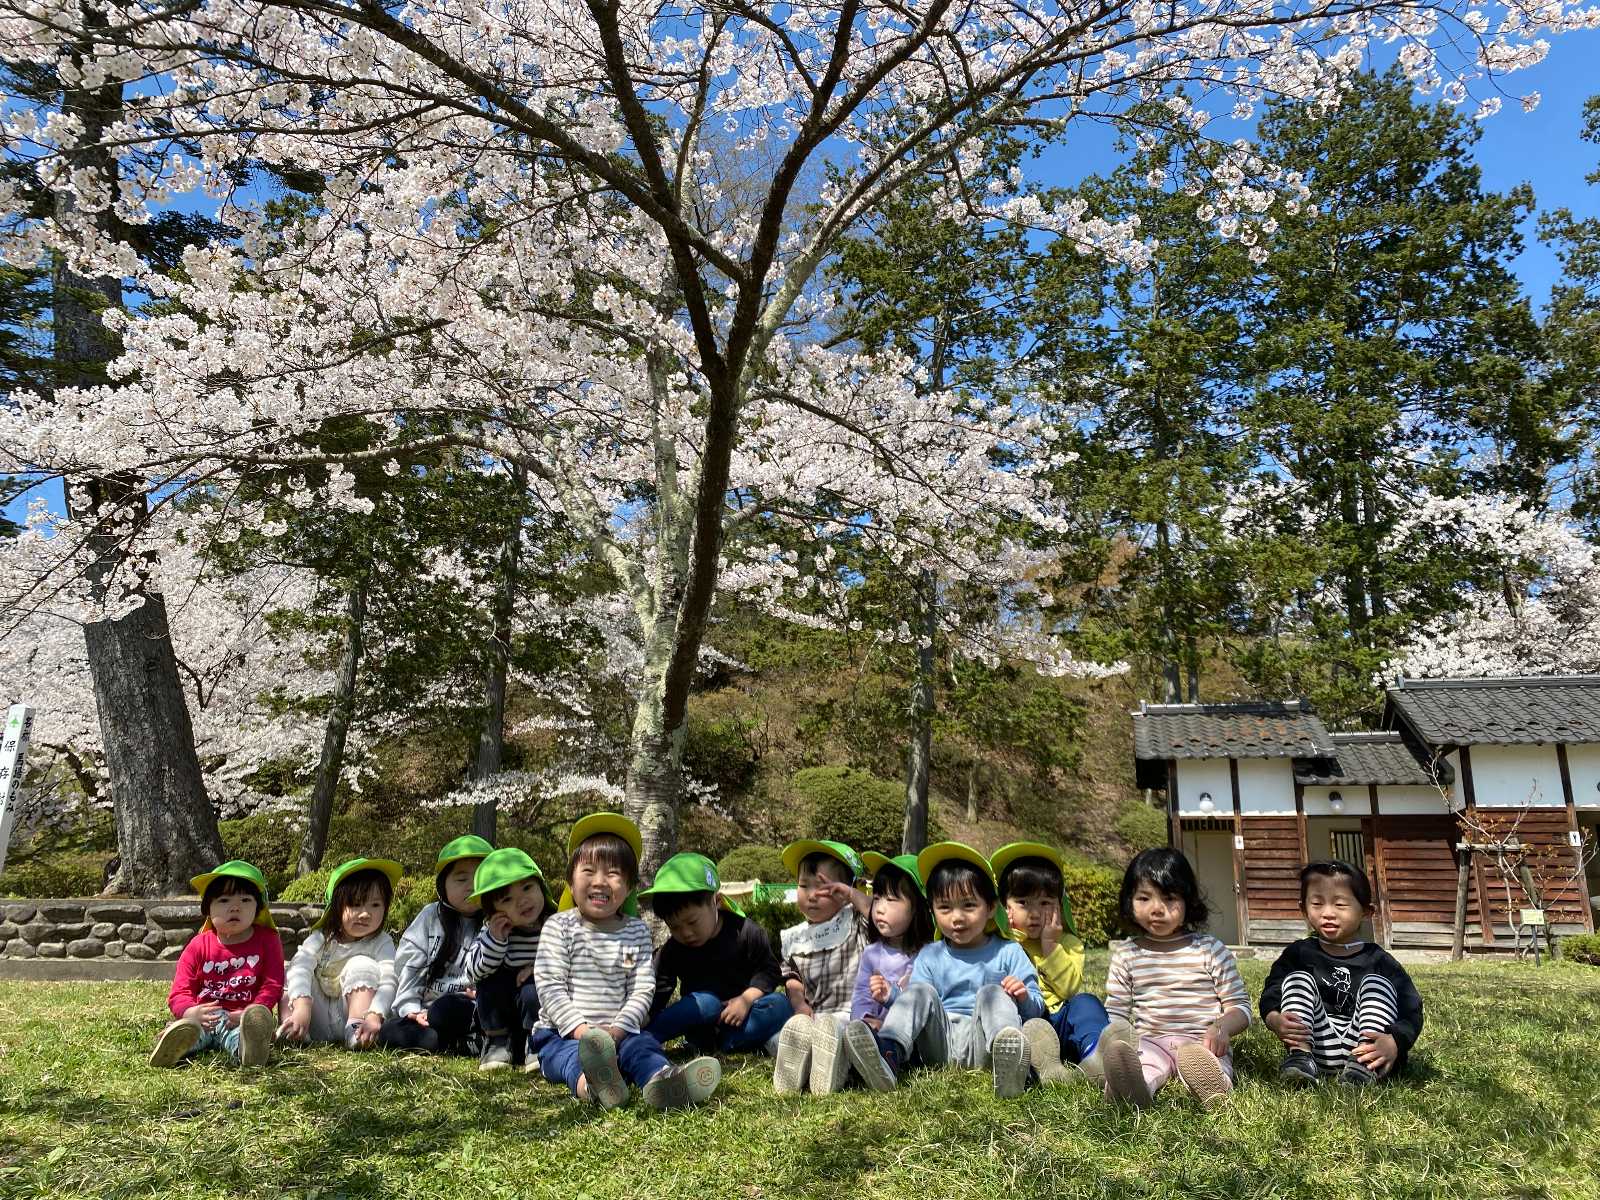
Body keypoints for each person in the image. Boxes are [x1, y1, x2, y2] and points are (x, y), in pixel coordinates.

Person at [530, 813, 721, 1109]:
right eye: (589, 871)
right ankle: (593, 1086)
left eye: (614, 874)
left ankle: (663, 1081)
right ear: (570, 881)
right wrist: (585, 1033)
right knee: (568, 1059)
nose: (600, 882)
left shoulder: (634, 932)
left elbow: (641, 987)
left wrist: (618, 1031)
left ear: (630, 887)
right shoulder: (559, 927)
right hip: (562, 1034)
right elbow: (550, 986)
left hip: (621, 1031)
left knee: (643, 1047)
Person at [844, 843, 1042, 1098]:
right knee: (920, 991)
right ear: (932, 909)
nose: (956, 917)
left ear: (991, 907)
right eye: (945, 908)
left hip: (984, 1045)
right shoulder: (931, 954)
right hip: (940, 1043)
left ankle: (1010, 1061)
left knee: (993, 992)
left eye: (969, 905)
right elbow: (915, 1006)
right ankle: (889, 1052)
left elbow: (1036, 1008)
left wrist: (1023, 996)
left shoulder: (1009, 952)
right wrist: (892, 994)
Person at [1100, 847, 1251, 1109]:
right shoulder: (1127, 954)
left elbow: (1240, 1006)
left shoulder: (1210, 950)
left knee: (1208, 1063)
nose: (1157, 909)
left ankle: (1215, 1089)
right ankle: (1131, 1090)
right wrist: (1116, 1040)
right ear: (1129, 901)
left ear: (1188, 901)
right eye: (1144, 898)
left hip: (1202, 1042)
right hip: (1149, 1041)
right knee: (1142, 1064)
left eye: (1169, 898)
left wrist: (1222, 1028)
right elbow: (1116, 1012)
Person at [1260, 860, 1424, 1086]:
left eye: (1340, 904)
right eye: (1317, 903)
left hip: (1365, 1049)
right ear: (1303, 909)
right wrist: (1274, 1019)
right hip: (1315, 1044)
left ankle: (1361, 1068)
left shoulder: (1379, 959)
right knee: (1297, 979)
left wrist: (1394, 1041)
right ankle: (1300, 1060)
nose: (1327, 913)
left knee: (1377, 983)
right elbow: (1272, 990)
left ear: (1366, 911)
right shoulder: (1299, 953)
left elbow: (1411, 1008)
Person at [642, 852, 791, 1054]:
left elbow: (770, 971)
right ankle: (645, 1039)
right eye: (674, 927)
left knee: (780, 1004)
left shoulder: (746, 932)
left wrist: (746, 1000)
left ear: (717, 901)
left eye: (692, 922)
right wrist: (644, 1017)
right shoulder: (673, 949)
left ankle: (727, 1043)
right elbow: (658, 989)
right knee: (706, 1003)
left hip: (742, 1017)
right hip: (700, 1021)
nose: (685, 933)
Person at [992, 841, 1112, 1085]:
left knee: (1086, 1002)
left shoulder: (1068, 943)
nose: (1035, 913)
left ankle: (1094, 1054)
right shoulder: (1001, 945)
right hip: (1026, 1022)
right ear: (1006, 907)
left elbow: (1069, 989)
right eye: (1023, 902)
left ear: (1060, 906)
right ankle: (1041, 1066)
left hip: (1061, 1021)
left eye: (1045, 903)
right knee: (1030, 1028)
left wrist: (1050, 945)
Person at [151, 860, 284, 1068]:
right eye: (223, 900)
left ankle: (249, 1048)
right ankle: (174, 1044)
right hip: (204, 1017)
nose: (235, 907)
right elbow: (179, 991)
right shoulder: (198, 945)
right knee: (191, 1031)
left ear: (258, 908)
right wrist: (189, 1012)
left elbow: (273, 983)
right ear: (208, 908)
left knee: (240, 1036)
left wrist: (253, 1011)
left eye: (246, 900)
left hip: (239, 1019)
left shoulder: (267, 940)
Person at [770, 838, 872, 1095]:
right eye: (804, 886)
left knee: (842, 1034)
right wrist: (799, 1005)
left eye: (823, 888)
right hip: (812, 1016)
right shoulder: (796, 936)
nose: (811, 895)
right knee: (781, 1037)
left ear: (845, 891)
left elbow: (878, 917)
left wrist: (853, 895)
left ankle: (832, 1068)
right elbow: (792, 977)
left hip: (850, 1014)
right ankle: (805, 1067)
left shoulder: (854, 921)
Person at [378, 835, 493, 1057]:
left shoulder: (495, 921)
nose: (471, 887)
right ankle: (458, 1044)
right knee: (389, 1031)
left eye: (480, 878)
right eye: (461, 880)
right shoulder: (430, 917)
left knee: (446, 1010)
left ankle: (459, 1041)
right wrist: (411, 1010)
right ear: (443, 884)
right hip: (426, 1012)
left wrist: (482, 995)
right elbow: (409, 966)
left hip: (470, 1008)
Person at [279, 858, 401, 1050]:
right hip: (313, 1017)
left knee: (362, 964)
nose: (365, 914)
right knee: (295, 969)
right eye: (355, 904)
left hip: (360, 1019)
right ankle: (292, 1030)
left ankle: (356, 1032)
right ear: (337, 906)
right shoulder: (322, 938)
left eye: (375, 905)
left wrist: (375, 1014)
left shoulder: (381, 942)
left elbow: (390, 978)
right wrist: (302, 1006)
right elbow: (301, 966)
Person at [840, 852, 933, 1087]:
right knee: (847, 1030)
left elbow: (924, 1007)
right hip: (875, 1030)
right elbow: (861, 996)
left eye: (891, 900)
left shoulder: (929, 955)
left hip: (914, 1042)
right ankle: (842, 1063)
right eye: (878, 897)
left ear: (917, 908)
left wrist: (890, 1001)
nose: (879, 908)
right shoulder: (872, 953)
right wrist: (864, 1021)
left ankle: (880, 1058)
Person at [463, 846, 553, 1070]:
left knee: (533, 987)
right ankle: (497, 1043)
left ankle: (537, 1042)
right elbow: (471, 973)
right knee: (490, 979)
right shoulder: (492, 931)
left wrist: (538, 967)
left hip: (542, 1014)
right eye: (507, 899)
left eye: (527, 887)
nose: (522, 901)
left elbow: (574, 963)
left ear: (541, 885)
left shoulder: (556, 925)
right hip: (504, 1015)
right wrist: (495, 941)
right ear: (493, 910)